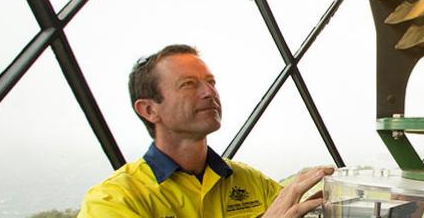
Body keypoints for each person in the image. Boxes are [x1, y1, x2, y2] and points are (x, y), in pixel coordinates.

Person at [78, 44, 332, 217]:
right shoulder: (115, 200)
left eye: (211, 82)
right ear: (148, 110)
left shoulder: (251, 182)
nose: (209, 93)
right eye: (188, 84)